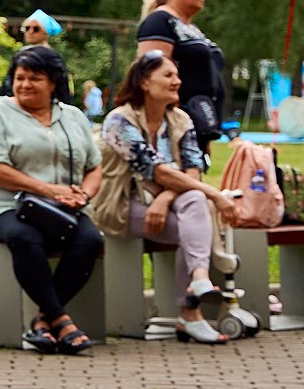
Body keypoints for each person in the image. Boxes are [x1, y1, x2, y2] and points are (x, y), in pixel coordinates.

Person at [91, 51, 239, 344]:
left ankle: (198, 283)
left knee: (195, 207)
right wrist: (215, 195)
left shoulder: (181, 118)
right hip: (123, 206)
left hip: (169, 207)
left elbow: (194, 170)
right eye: (168, 76)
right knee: (198, 213)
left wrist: (166, 199)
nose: (177, 82)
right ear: (145, 82)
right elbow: (153, 169)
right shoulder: (118, 122)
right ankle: (189, 313)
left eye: (176, 75)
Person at [0, 44, 104, 354]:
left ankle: (44, 321)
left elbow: (95, 166)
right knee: (25, 237)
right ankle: (61, 319)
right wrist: (48, 190)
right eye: (19, 77)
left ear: (54, 82)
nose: (25, 85)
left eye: (34, 78)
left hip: (61, 210)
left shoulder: (72, 117)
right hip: (4, 206)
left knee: (89, 240)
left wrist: (82, 194)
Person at [136, 0, 229, 154]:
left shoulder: (190, 27)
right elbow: (152, 75)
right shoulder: (160, 21)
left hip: (199, 120)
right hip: (175, 122)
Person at [0, 10, 72, 104]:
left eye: (36, 29)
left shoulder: (53, 57)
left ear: (46, 32)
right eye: (27, 28)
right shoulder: (20, 55)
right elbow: (8, 86)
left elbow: (62, 89)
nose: (30, 32)